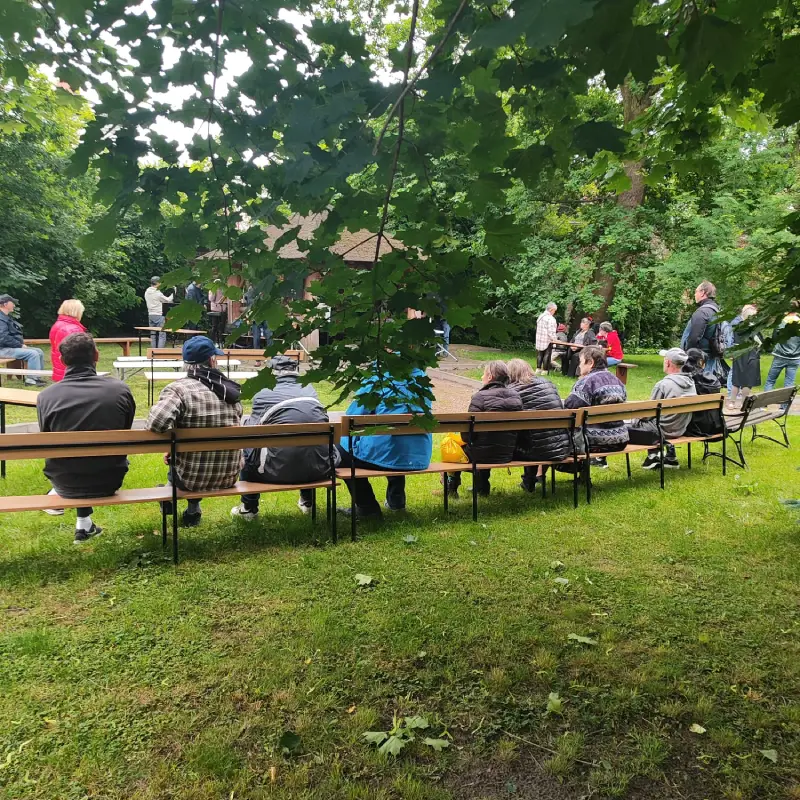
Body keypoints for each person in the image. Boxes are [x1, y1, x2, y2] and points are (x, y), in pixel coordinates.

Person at [37, 333, 135, 542]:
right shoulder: (120, 390)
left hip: (65, 482)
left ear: (62, 360)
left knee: (73, 460)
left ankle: (80, 520)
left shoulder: (46, 397)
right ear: (96, 355)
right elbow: (125, 430)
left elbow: (47, 437)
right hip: (109, 478)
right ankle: (84, 525)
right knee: (89, 459)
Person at [147, 335, 243, 527]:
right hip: (229, 475)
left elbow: (157, 423)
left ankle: (170, 495)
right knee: (189, 458)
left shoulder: (178, 390)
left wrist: (175, 445)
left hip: (190, 478)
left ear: (185, 363)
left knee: (181, 463)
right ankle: (192, 510)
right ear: (212, 361)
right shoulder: (229, 390)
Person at [230, 355, 338, 519]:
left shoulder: (264, 393)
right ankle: (307, 501)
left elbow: (252, 431)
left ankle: (249, 507)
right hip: (319, 468)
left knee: (247, 446)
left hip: (275, 471)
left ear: (271, 372)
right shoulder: (309, 389)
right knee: (306, 444)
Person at [337, 366, 432, 519]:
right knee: (394, 443)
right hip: (418, 455)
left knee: (340, 453)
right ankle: (396, 502)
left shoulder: (378, 377)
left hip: (389, 452)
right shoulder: (421, 378)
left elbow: (353, 415)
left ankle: (366, 506)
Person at [444, 360, 523, 498]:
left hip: (480, 456)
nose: (482, 377)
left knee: (453, 446)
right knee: (485, 441)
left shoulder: (479, 397)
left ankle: (452, 487)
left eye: (484, 374)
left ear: (490, 376)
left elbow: (466, 436)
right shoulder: (516, 397)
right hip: (507, 453)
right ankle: (481, 487)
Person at [507, 358, 571, 492]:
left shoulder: (512, 392)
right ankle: (531, 480)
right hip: (560, 447)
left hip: (535, 449)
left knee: (528, 436)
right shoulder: (549, 384)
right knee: (538, 434)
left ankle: (528, 481)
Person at [628, 347, 697, 470]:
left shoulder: (663, 385)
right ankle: (667, 457)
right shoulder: (691, 383)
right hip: (680, 429)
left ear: (668, 362)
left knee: (625, 424)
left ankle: (653, 456)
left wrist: (634, 415)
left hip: (660, 431)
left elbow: (648, 414)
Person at [564, 345, 628, 467]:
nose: (579, 365)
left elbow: (569, 410)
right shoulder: (618, 381)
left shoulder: (586, 382)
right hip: (620, 439)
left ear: (591, 363)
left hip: (594, 442)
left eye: (581, 362)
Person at [0, 294, 46, 386]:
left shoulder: (5, 317)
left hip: (8, 347)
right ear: (5, 304)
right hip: (2, 349)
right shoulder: (1, 319)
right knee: (33, 354)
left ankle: (37, 378)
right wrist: (19, 345)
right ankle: (31, 380)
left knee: (39, 351)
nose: (14, 305)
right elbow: (3, 337)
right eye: (12, 303)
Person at [682, 280, 721, 376]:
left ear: (703, 292)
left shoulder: (703, 312)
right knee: (708, 381)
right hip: (709, 356)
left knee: (697, 383)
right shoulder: (715, 310)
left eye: (696, 291)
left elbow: (694, 338)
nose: (695, 294)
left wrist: (689, 358)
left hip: (700, 359)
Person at [684, 348, 724, 438]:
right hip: (716, 425)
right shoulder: (713, 379)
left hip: (695, 428)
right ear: (701, 362)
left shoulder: (687, 380)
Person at [764, 305, 800, 401]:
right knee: (789, 383)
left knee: (770, 381)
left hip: (780, 356)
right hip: (795, 358)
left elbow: (774, 339)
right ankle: (784, 406)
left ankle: (764, 404)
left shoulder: (781, 323)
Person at [729, 304, 762, 406]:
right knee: (748, 381)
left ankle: (732, 402)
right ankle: (743, 403)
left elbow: (732, 340)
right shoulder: (753, 328)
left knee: (736, 380)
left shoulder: (737, 326)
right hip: (751, 355)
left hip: (739, 354)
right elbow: (760, 342)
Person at [49, 299, 87, 382]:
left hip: (60, 369)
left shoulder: (58, 324)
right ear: (76, 311)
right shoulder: (72, 329)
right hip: (72, 372)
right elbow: (79, 353)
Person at [144, 276, 174, 349]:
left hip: (150, 315)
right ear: (157, 283)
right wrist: (173, 293)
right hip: (158, 315)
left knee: (153, 335)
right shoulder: (157, 293)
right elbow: (168, 300)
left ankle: (153, 351)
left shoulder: (147, 291)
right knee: (162, 334)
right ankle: (159, 352)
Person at [534, 302, 558, 375]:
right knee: (547, 354)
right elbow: (551, 332)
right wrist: (555, 339)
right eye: (554, 311)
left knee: (540, 354)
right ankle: (545, 370)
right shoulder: (551, 319)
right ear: (551, 309)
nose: (554, 312)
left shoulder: (540, 316)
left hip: (539, 338)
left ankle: (538, 369)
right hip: (547, 339)